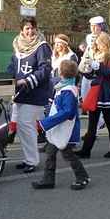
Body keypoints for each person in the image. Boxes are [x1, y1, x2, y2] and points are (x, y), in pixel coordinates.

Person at [31, 60, 90, 190]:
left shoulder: (67, 90)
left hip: (65, 129)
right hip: (59, 128)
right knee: (50, 152)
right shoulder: (64, 87)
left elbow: (67, 112)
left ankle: (83, 177)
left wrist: (44, 123)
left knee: (68, 154)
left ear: (61, 73)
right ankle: (48, 179)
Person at [7, 17, 52, 173]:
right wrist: (8, 79)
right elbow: (12, 66)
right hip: (20, 94)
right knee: (22, 127)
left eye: (32, 28)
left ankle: (32, 161)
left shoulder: (42, 46)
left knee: (26, 125)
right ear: (22, 31)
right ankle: (28, 159)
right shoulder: (18, 46)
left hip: (34, 93)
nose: (30, 31)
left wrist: (26, 81)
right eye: (27, 28)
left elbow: (45, 70)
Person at [75, 32, 110, 159]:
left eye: (99, 43)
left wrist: (96, 65)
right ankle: (86, 150)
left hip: (106, 92)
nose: (97, 46)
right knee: (92, 122)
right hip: (97, 90)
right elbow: (92, 75)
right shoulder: (97, 54)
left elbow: (109, 72)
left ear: (105, 43)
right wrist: (86, 69)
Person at [80, 16, 106, 102]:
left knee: (97, 98)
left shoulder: (104, 37)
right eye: (92, 26)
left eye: (95, 26)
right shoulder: (88, 37)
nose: (93, 28)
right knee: (85, 95)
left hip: (98, 70)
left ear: (100, 26)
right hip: (87, 69)